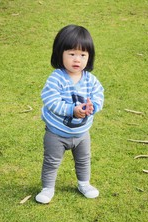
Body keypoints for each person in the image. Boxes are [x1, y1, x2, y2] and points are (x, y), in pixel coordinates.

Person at [35, 24, 104, 204]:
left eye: (83, 55)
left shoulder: (90, 80)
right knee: (51, 162)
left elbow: (99, 95)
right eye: (71, 54)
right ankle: (47, 188)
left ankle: (84, 183)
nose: (77, 59)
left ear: (89, 58)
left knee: (83, 160)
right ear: (60, 54)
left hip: (82, 134)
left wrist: (92, 107)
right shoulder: (56, 78)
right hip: (56, 133)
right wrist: (71, 110)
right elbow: (51, 101)